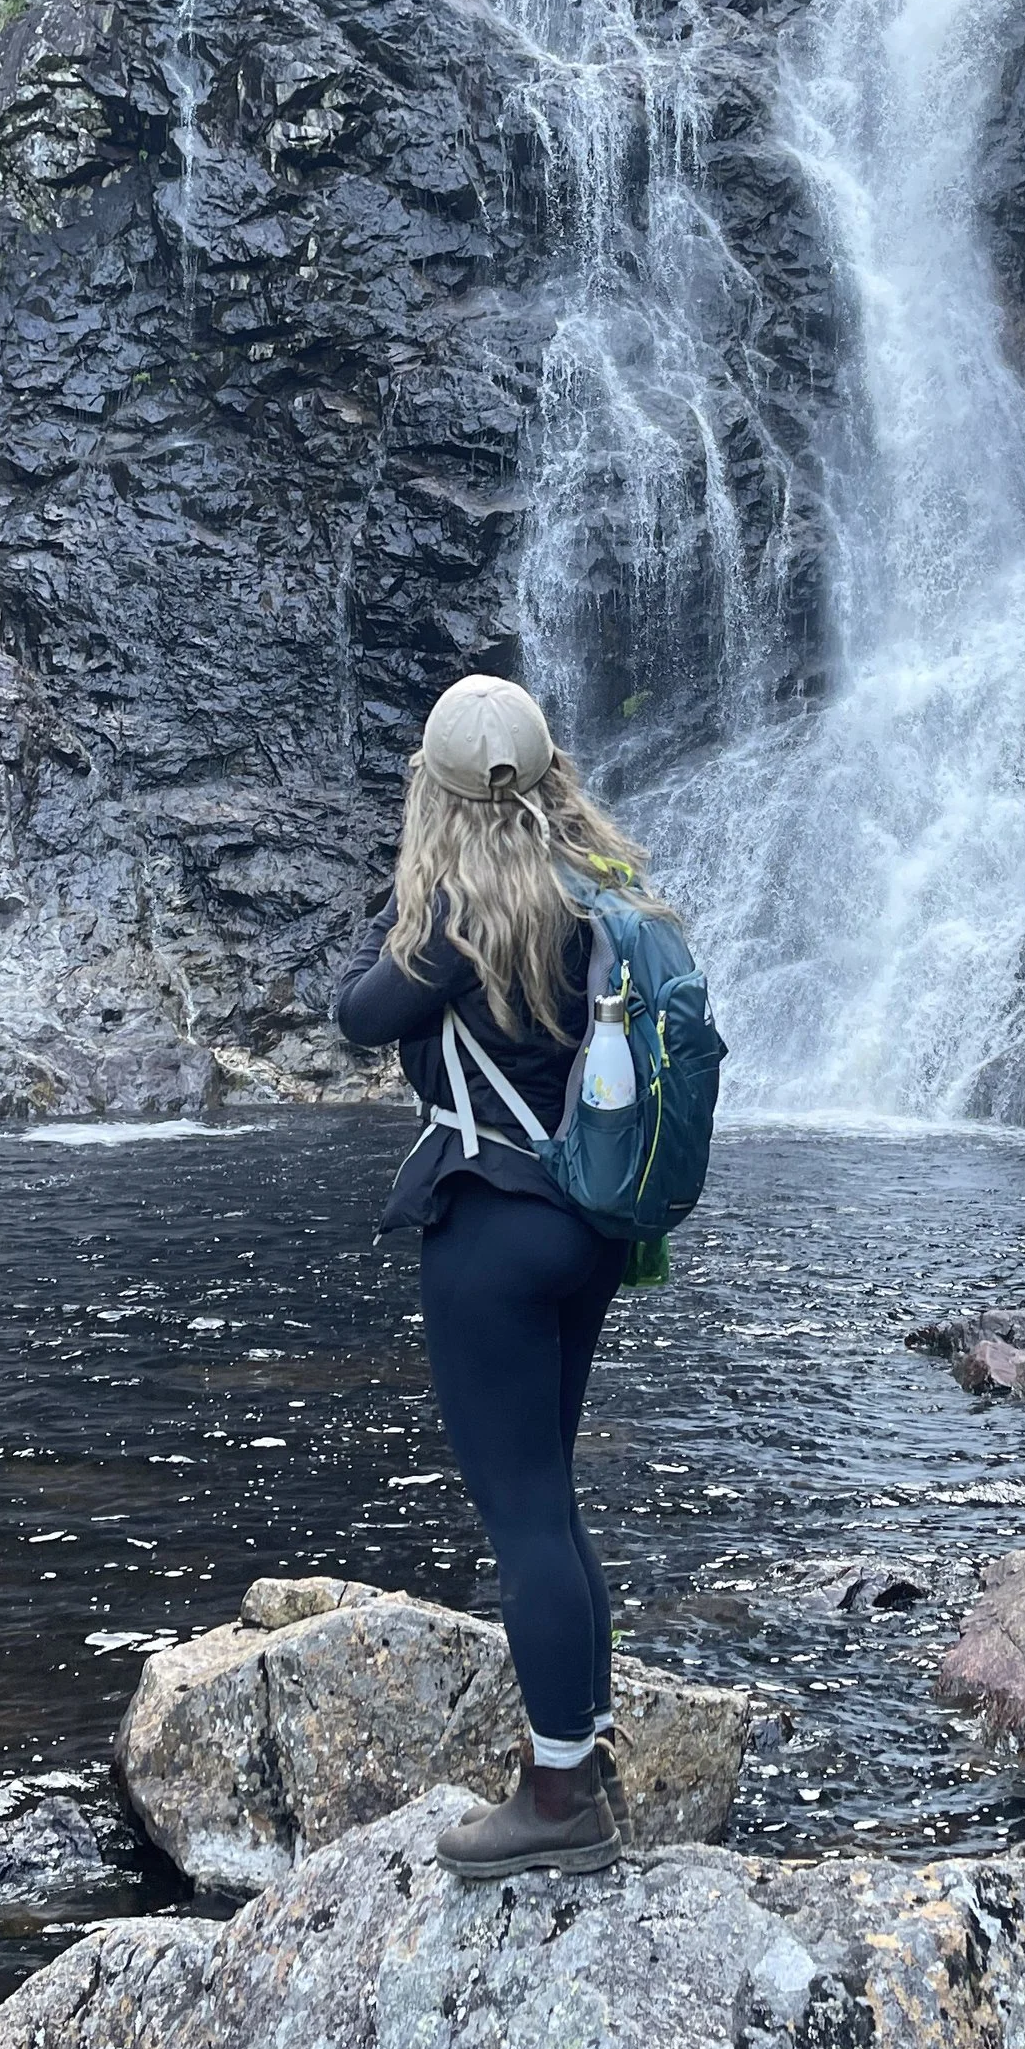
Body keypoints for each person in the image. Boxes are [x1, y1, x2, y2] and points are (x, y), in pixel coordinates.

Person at [334, 672, 667, 1881]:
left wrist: (412, 907)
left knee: (520, 1513)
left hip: (491, 1232)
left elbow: (358, 1016)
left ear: (439, 791)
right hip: (587, 1226)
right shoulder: (605, 898)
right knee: (553, 1502)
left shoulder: (458, 927)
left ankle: (557, 1798)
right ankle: (584, 1750)